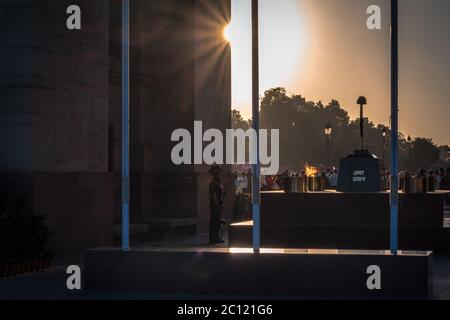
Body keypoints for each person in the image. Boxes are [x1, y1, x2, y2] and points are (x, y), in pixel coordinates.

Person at [208, 164, 225, 245]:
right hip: (215, 206)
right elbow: (214, 196)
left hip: (219, 204)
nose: (218, 174)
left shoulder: (218, 182)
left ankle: (217, 237)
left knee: (217, 222)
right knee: (214, 222)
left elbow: (220, 194)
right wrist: (217, 205)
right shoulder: (213, 183)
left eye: (218, 173)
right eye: (216, 173)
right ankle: (213, 238)